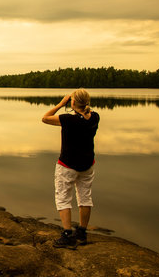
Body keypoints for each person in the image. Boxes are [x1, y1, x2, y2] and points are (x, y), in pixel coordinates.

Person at [41, 88, 100, 249]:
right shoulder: (95, 117)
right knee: (85, 197)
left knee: (63, 198)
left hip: (67, 165)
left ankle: (67, 235)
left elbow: (45, 118)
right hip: (87, 164)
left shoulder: (68, 119)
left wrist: (61, 103)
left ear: (72, 102)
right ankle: (81, 232)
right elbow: (84, 115)